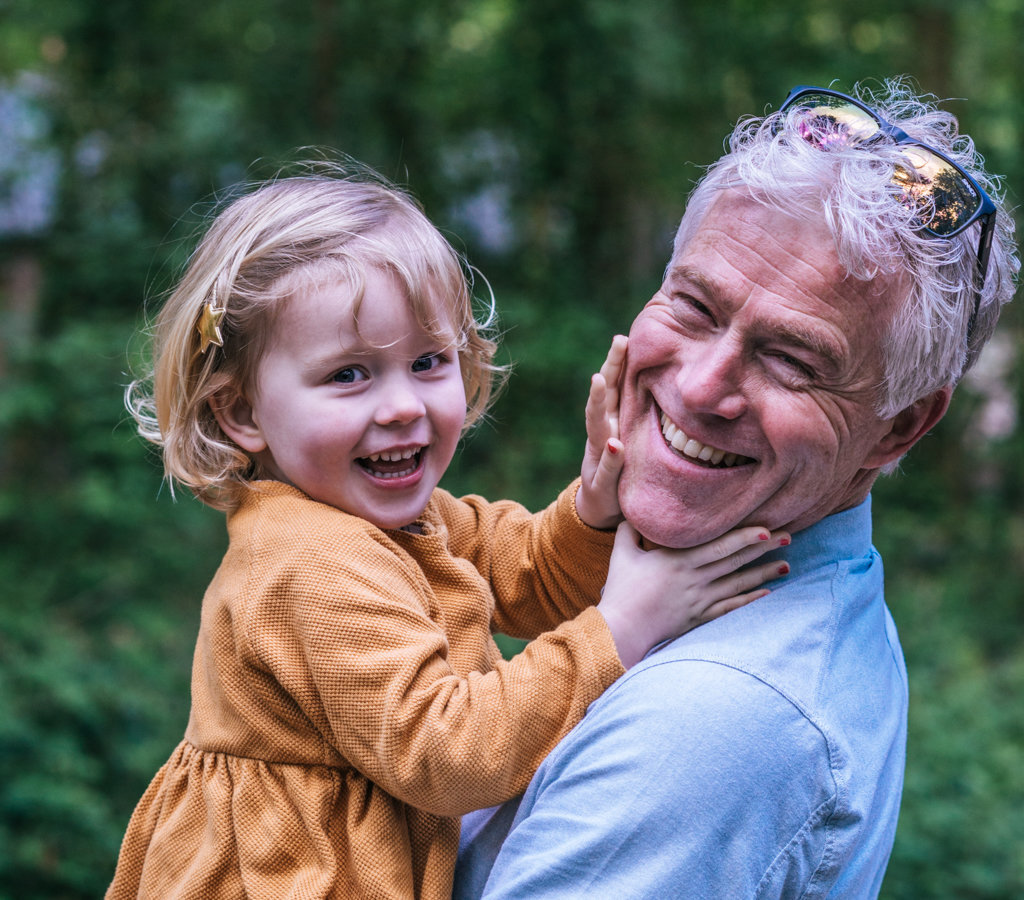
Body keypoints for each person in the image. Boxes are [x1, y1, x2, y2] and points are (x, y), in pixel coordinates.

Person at [105, 163, 790, 899]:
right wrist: (623, 625)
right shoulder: (308, 561)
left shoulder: (402, 522)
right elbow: (448, 755)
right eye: (348, 375)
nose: (403, 405)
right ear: (239, 412)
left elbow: (529, 575)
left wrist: (593, 510)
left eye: (428, 361)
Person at [455, 78, 1019, 898]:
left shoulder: (715, 721)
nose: (698, 387)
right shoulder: (784, 593)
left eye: (792, 360)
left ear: (898, 428)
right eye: (692, 305)